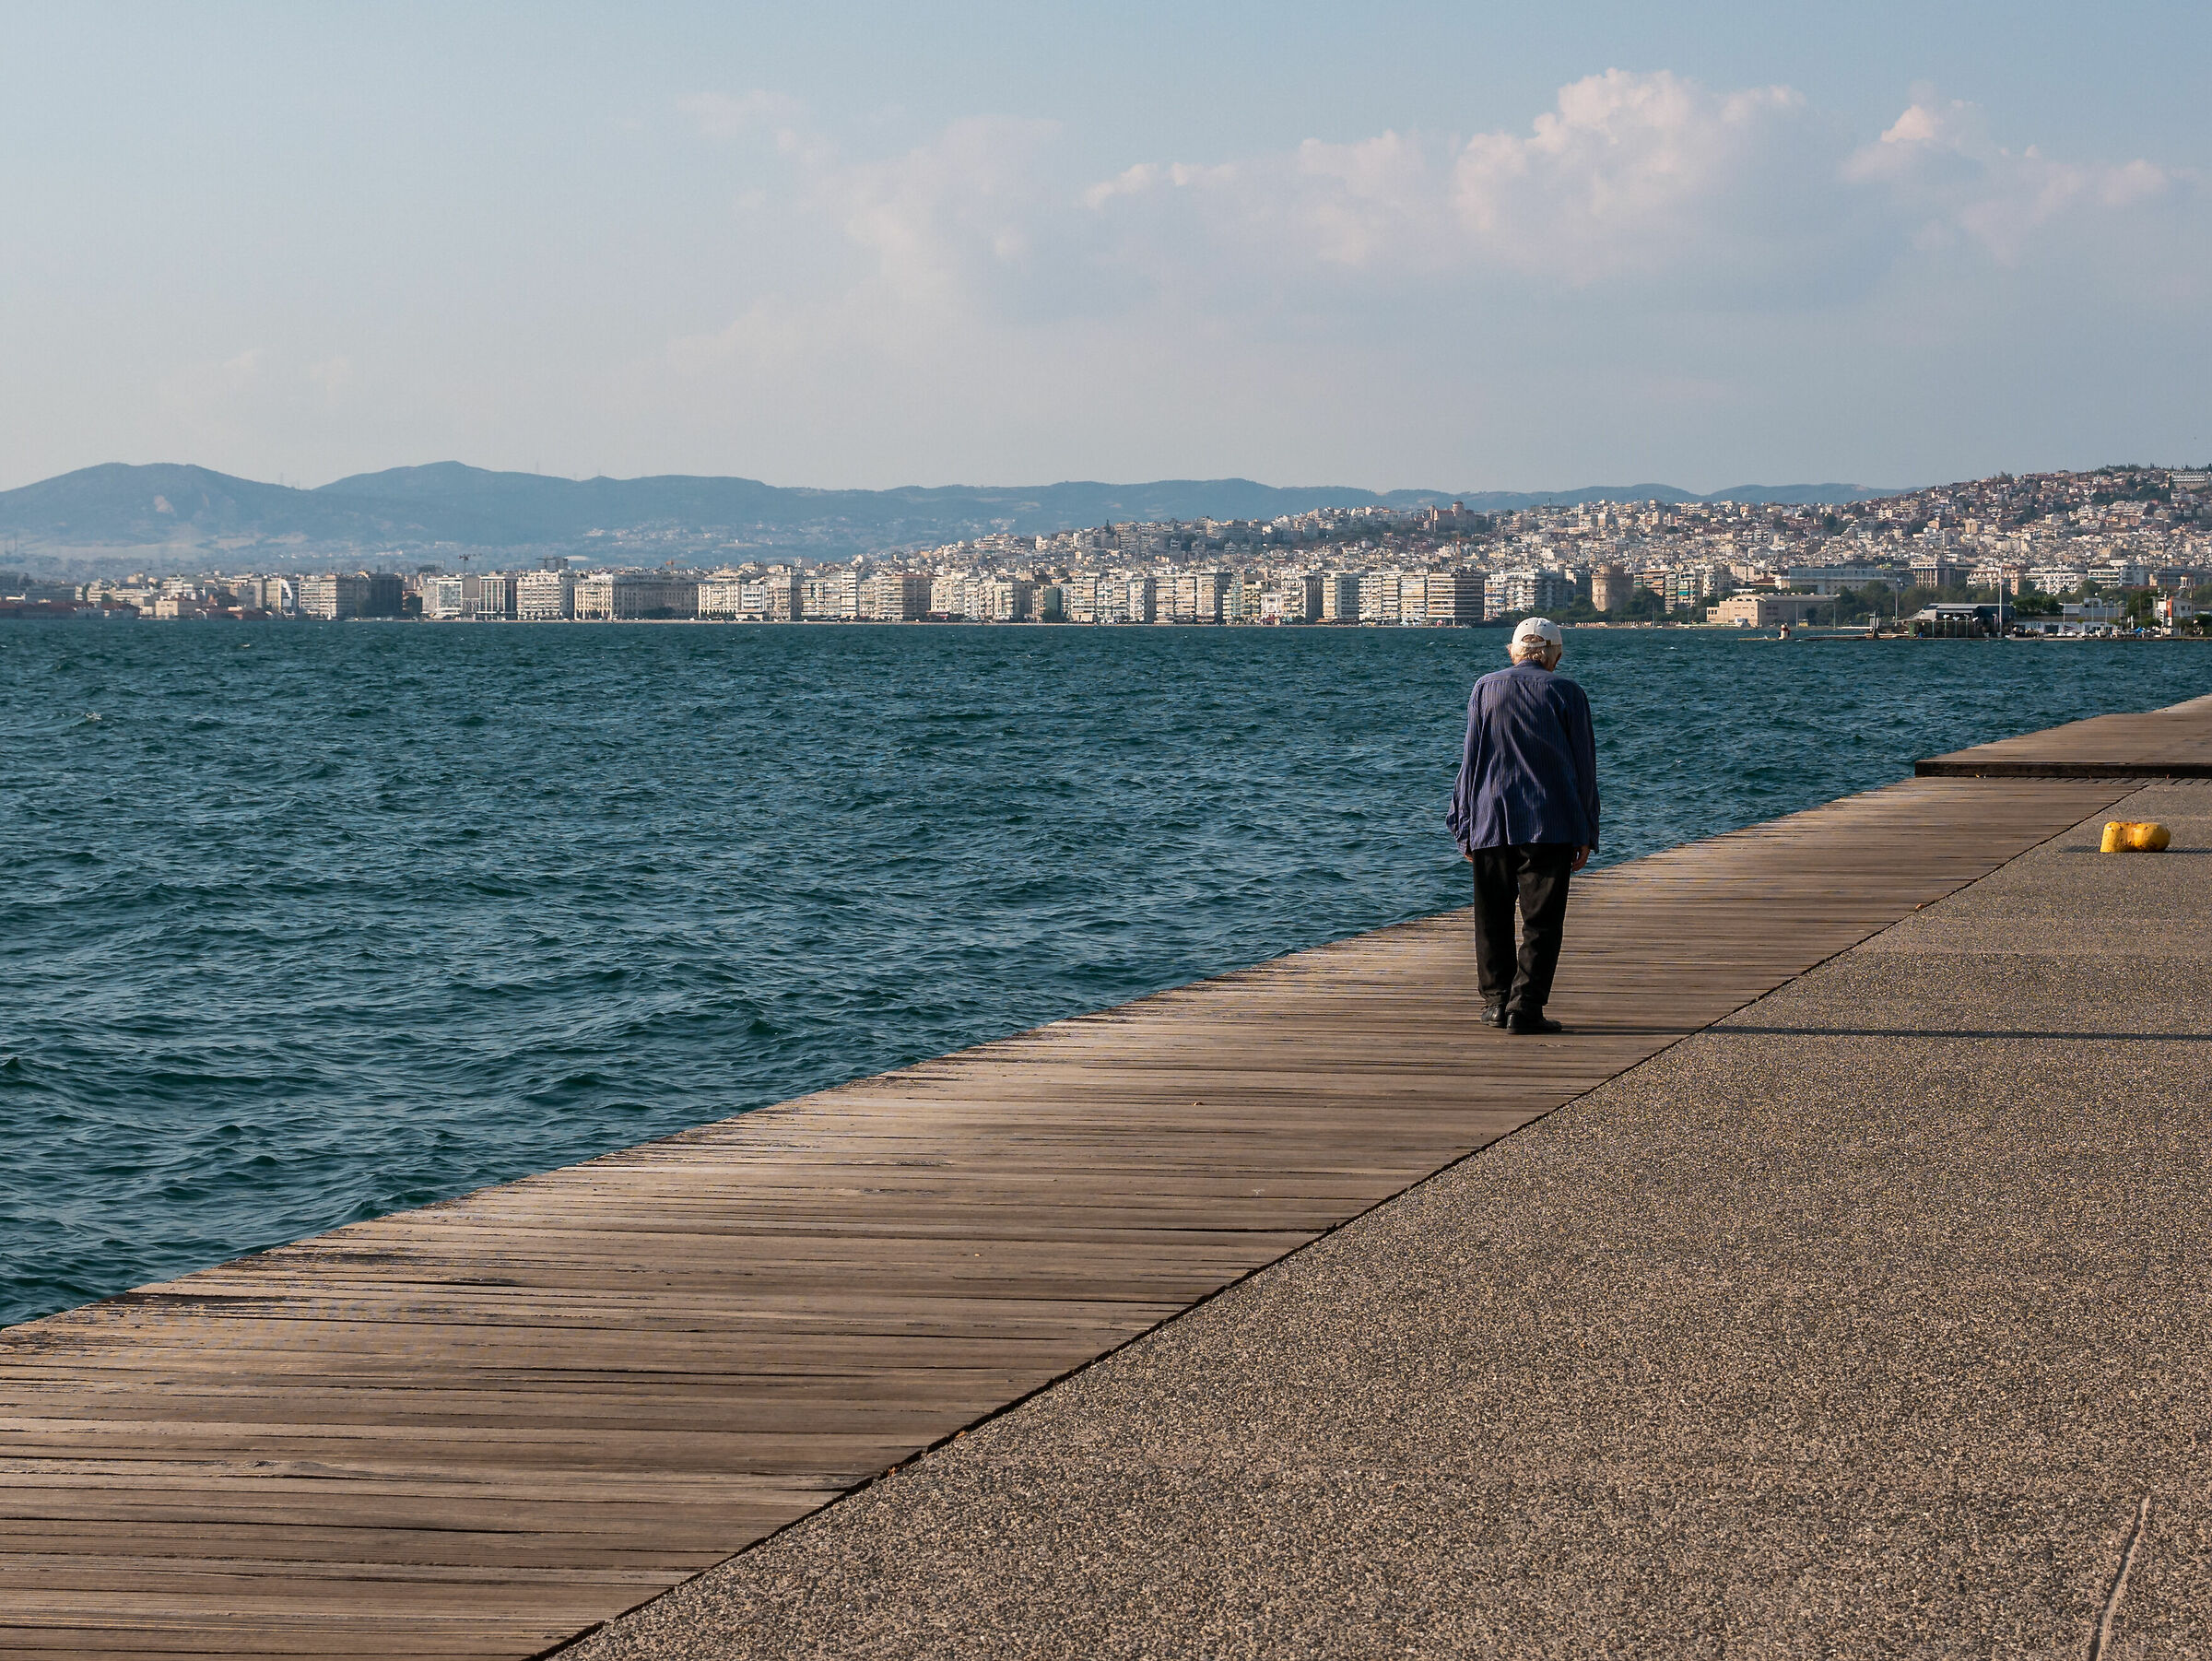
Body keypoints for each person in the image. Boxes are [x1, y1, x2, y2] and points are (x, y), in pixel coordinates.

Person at [1446, 617, 1599, 1034]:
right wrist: (1587, 830)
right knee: (1542, 921)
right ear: (1555, 656)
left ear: (1514, 652)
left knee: (1491, 915)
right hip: (1551, 821)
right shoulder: (1568, 692)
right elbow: (1585, 768)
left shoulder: (1486, 687)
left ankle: (1496, 1003)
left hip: (1491, 818)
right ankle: (1525, 1007)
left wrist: (1464, 822)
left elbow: (1470, 760)